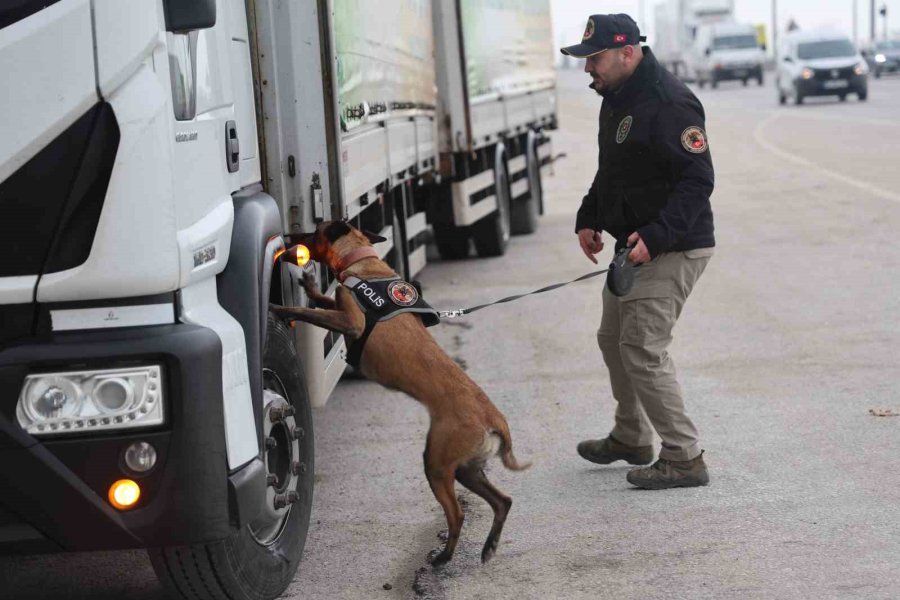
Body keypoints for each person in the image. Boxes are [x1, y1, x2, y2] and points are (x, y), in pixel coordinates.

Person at [560, 14, 716, 489]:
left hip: (671, 247)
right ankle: (631, 436)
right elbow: (613, 170)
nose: (589, 69)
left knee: (642, 349)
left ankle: (684, 457)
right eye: (586, 60)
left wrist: (657, 236)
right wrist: (589, 217)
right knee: (613, 340)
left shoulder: (669, 102)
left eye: (596, 59)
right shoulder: (617, 96)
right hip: (633, 247)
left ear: (628, 52)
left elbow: (698, 180)